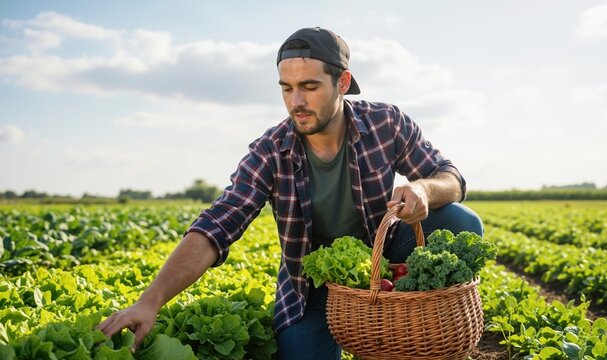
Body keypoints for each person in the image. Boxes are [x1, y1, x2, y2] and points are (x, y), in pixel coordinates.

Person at [96, 27, 483, 360]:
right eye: (287, 88)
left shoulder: (386, 122)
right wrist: (150, 301)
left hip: (384, 258)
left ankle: (410, 321)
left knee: (459, 222)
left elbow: (452, 179)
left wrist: (423, 188)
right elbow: (217, 226)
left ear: (342, 83)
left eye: (310, 87)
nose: (296, 101)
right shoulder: (270, 151)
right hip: (310, 284)